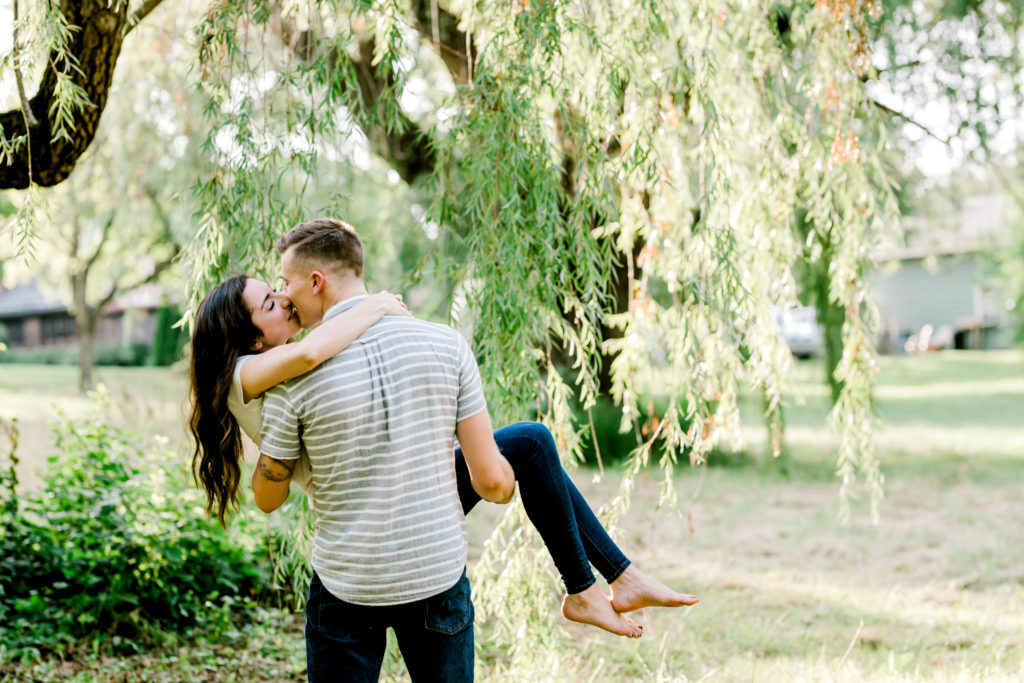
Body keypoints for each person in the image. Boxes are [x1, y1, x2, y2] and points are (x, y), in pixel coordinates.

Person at [187, 222, 697, 673]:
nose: (283, 295)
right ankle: (589, 587)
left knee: (532, 441)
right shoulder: (277, 370)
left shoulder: (288, 380)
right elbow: (493, 485)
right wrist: (382, 305)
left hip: (347, 575)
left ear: (315, 281)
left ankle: (605, 581)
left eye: (284, 286)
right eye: (271, 299)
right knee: (532, 444)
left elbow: (319, 354)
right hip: (431, 567)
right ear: (249, 335)